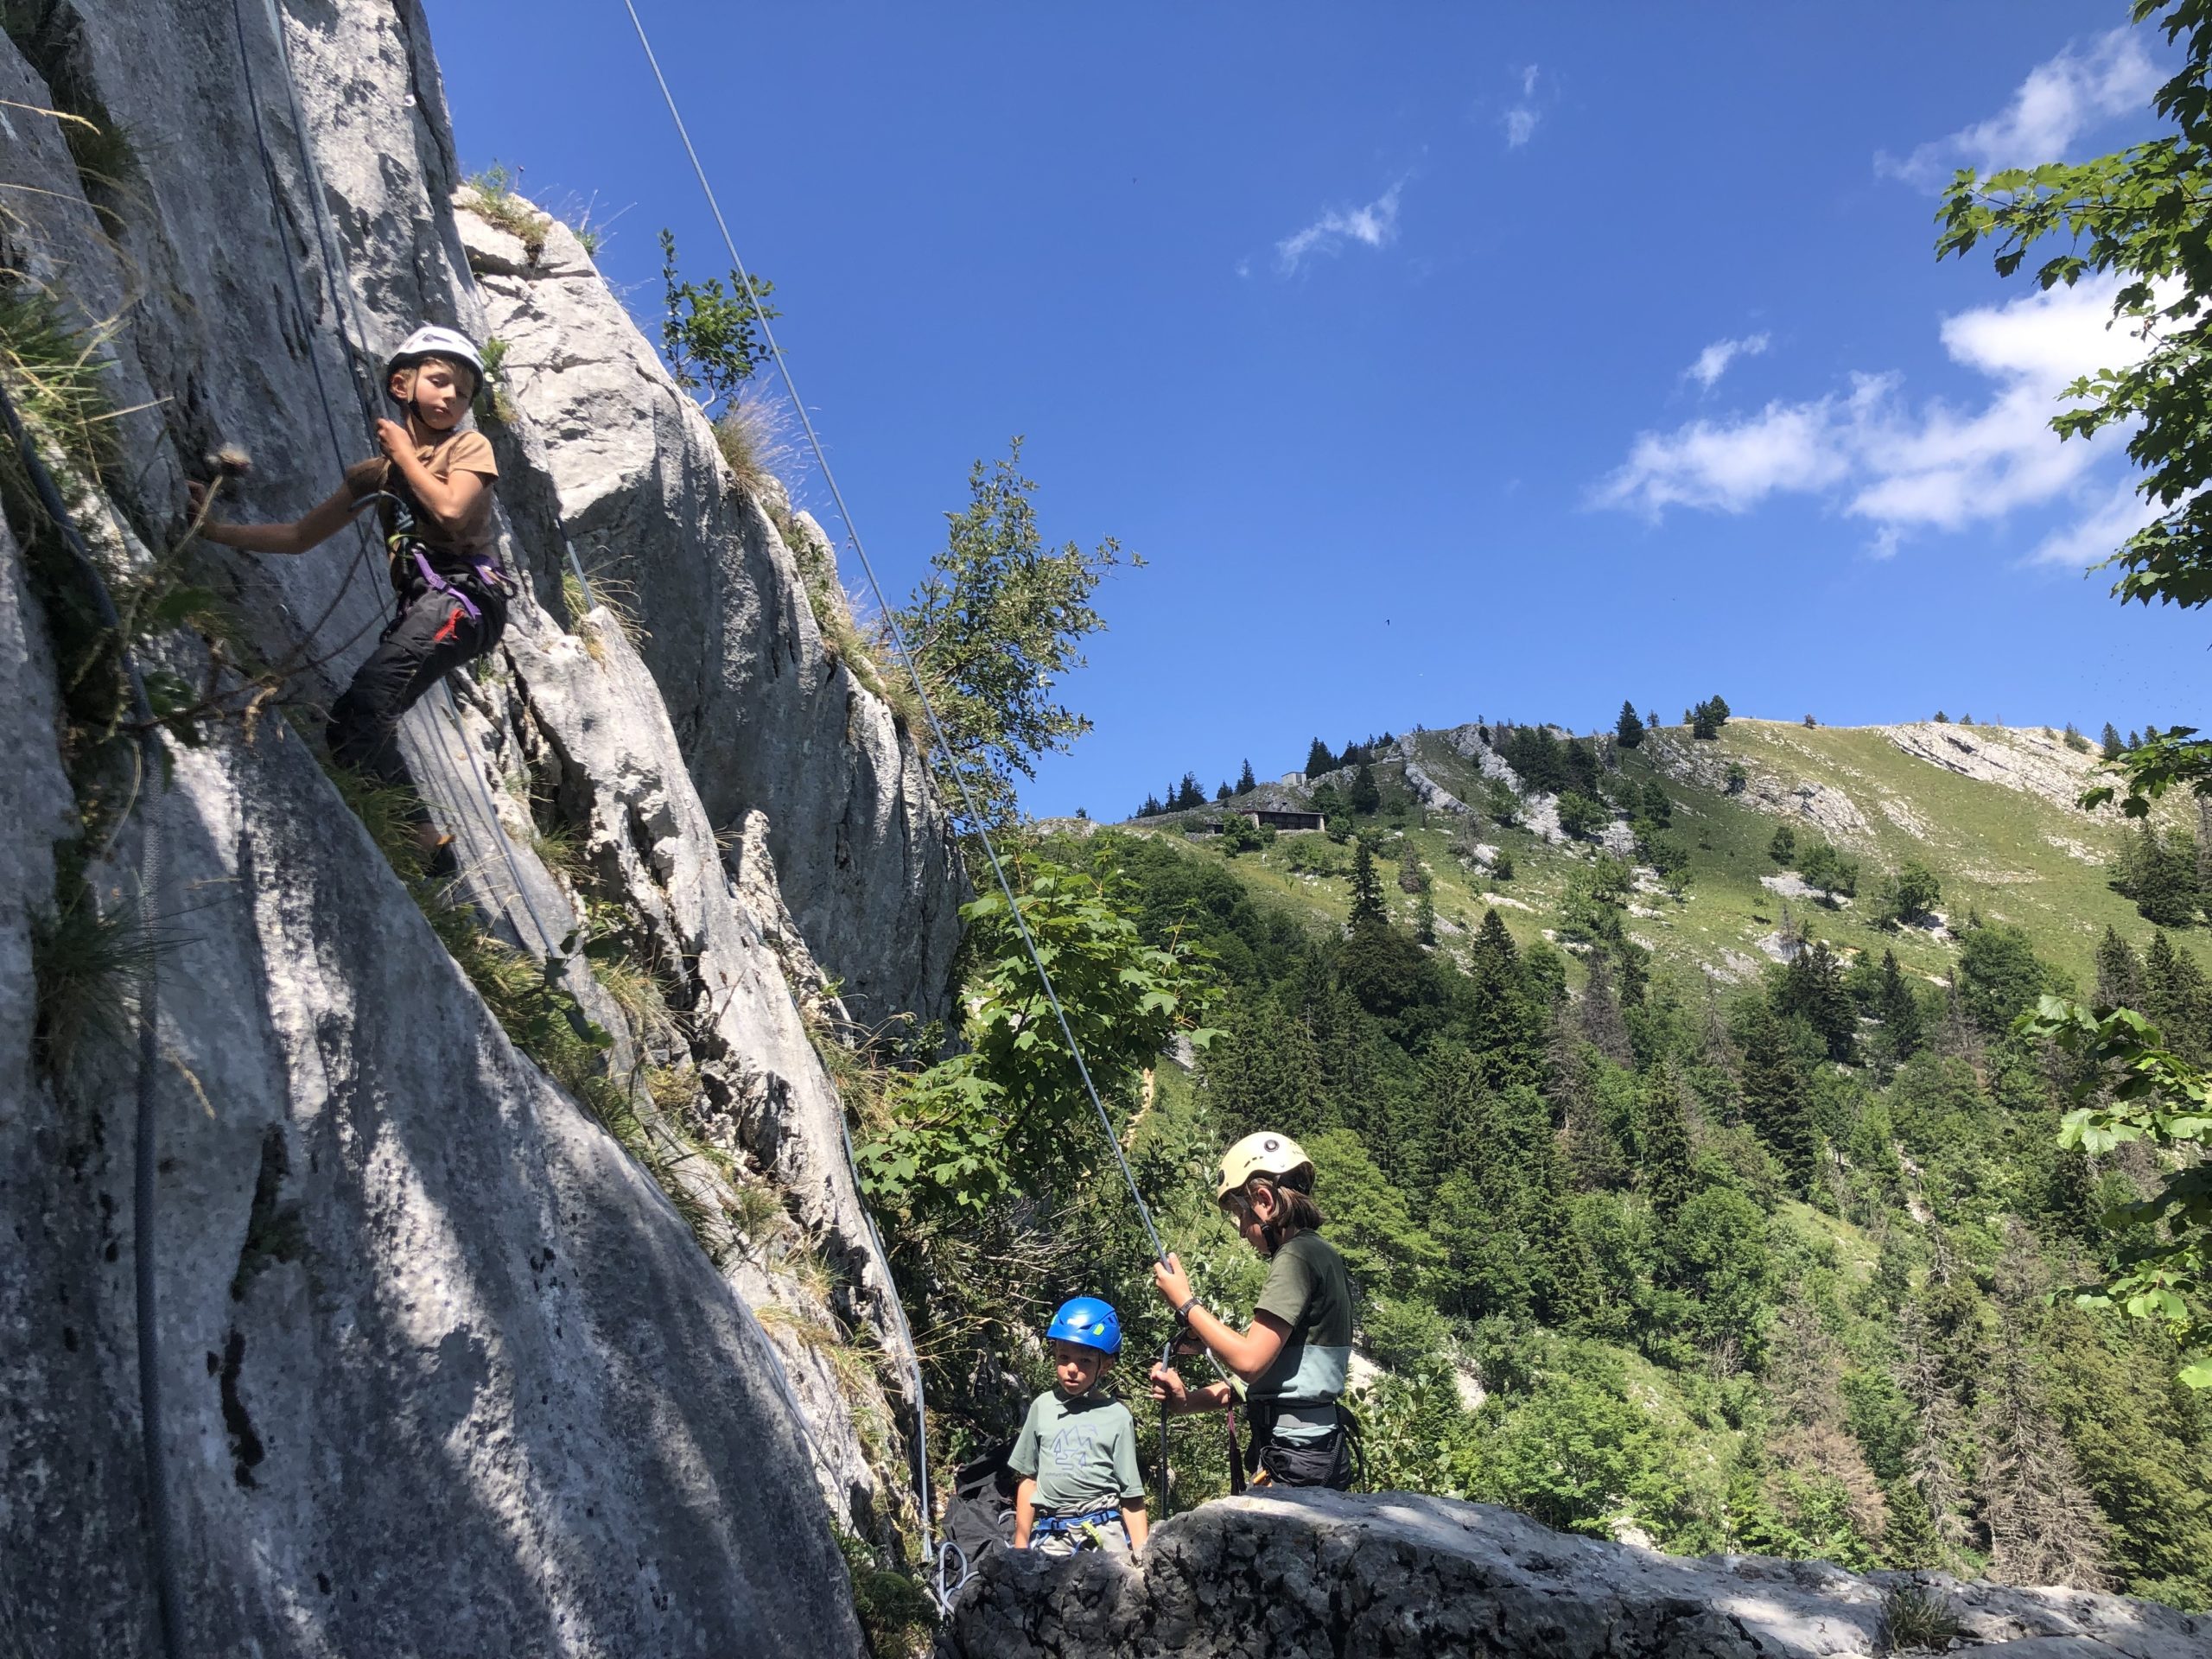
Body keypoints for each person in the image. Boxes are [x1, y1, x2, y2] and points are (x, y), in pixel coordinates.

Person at [188, 325, 509, 805]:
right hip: (430, 603)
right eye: (439, 381)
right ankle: (421, 838)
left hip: (465, 598)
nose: (451, 397)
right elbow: (299, 536)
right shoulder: (374, 475)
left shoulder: (467, 446)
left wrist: (403, 454)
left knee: (369, 701)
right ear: (401, 384)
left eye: (462, 394)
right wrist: (213, 530)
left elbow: (450, 510)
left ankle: (416, 834)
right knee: (355, 720)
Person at [1149, 1132, 1356, 1490]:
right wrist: (1186, 1402)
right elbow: (1267, 1381)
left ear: (1264, 1200)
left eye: (1240, 1216)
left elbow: (1249, 1361)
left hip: (1295, 1455)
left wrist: (1185, 1302)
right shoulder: (1322, 1254)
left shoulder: (1295, 1257)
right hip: (1316, 1448)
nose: (1243, 1232)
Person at [1008, 1297, 1150, 1557]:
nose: (1072, 1369)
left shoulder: (1118, 1416)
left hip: (1104, 1531)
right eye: (1064, 1357)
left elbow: (1131, 1494)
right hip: (1053, 1533)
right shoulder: (1042, 1407)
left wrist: (1143, 1555)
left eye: (1085, 1361)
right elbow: (1028, 1479)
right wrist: (1020, 1546)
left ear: (1105, 1365)